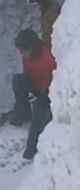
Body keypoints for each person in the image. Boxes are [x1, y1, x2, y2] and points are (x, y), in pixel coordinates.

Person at [0, 29, 56, 159]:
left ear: (32, 47)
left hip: (49, 93)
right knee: (18, 80)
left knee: (39, 112)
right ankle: (23, 112)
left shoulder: (48, 58)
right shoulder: (28, 57)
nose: (21, 54)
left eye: (23, 51)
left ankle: (32, 147)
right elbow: (28, 75)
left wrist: (42, 98)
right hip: (37, 87)